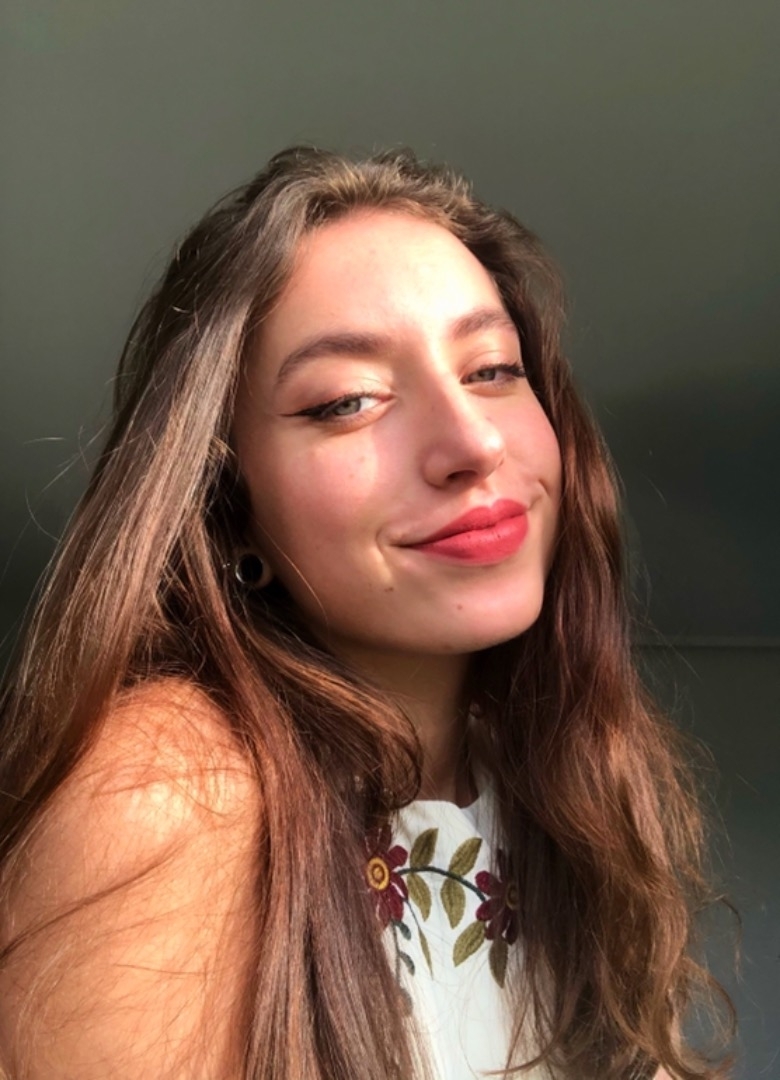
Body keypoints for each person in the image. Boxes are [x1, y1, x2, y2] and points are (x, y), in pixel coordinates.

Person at [0, 147, 732, 1080]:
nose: (471, 441)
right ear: (229, 504)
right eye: (347, 401)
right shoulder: (165, 796)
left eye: (493, 369)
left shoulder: (558, 778)